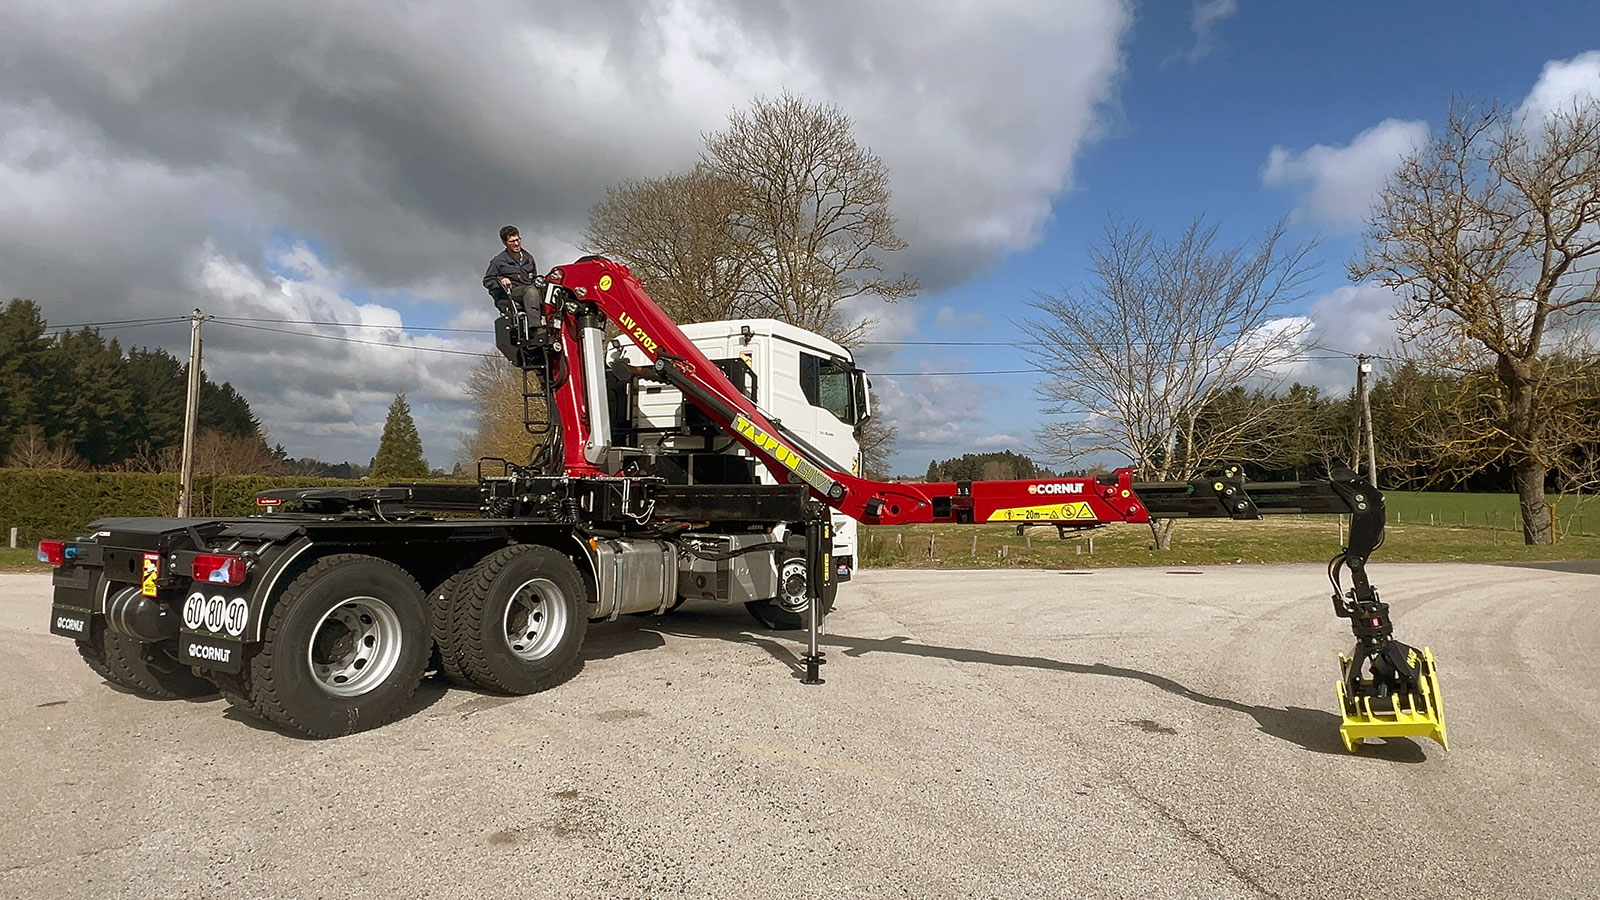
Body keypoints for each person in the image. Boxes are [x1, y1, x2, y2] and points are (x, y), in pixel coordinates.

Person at [482, 225, 541, 313]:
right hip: (512, 293)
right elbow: (487, 281)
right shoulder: (498, 261)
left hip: (530, 291)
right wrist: (501, 280)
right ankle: (535, 322)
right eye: (512, 241)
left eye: (518, 240)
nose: (516, 244)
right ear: (504, 242)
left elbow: (534, 278)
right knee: (531, 291)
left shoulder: (528, 258)